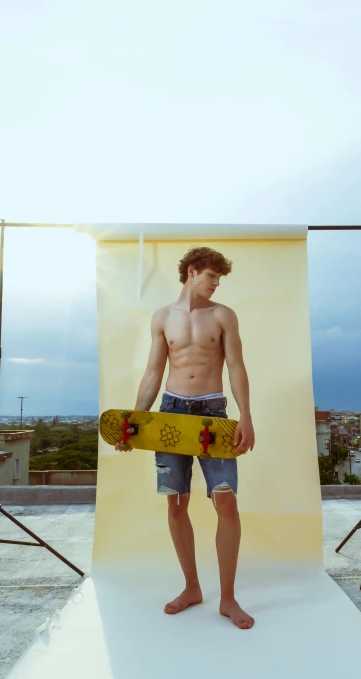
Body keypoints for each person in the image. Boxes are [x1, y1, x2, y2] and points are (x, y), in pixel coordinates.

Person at [115, 246, 255, 629]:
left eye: (218, 279)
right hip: (171, 415)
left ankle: (227, 599)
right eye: (211, 276)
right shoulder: (162, 318)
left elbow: (237, 368)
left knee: (226, 504)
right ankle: (192, 587)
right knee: (176, 504)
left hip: (213, 415)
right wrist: (134, 423)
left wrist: (246, 416)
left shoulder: (223, 315)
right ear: (192, 272)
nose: (215, 284)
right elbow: (152, 373)